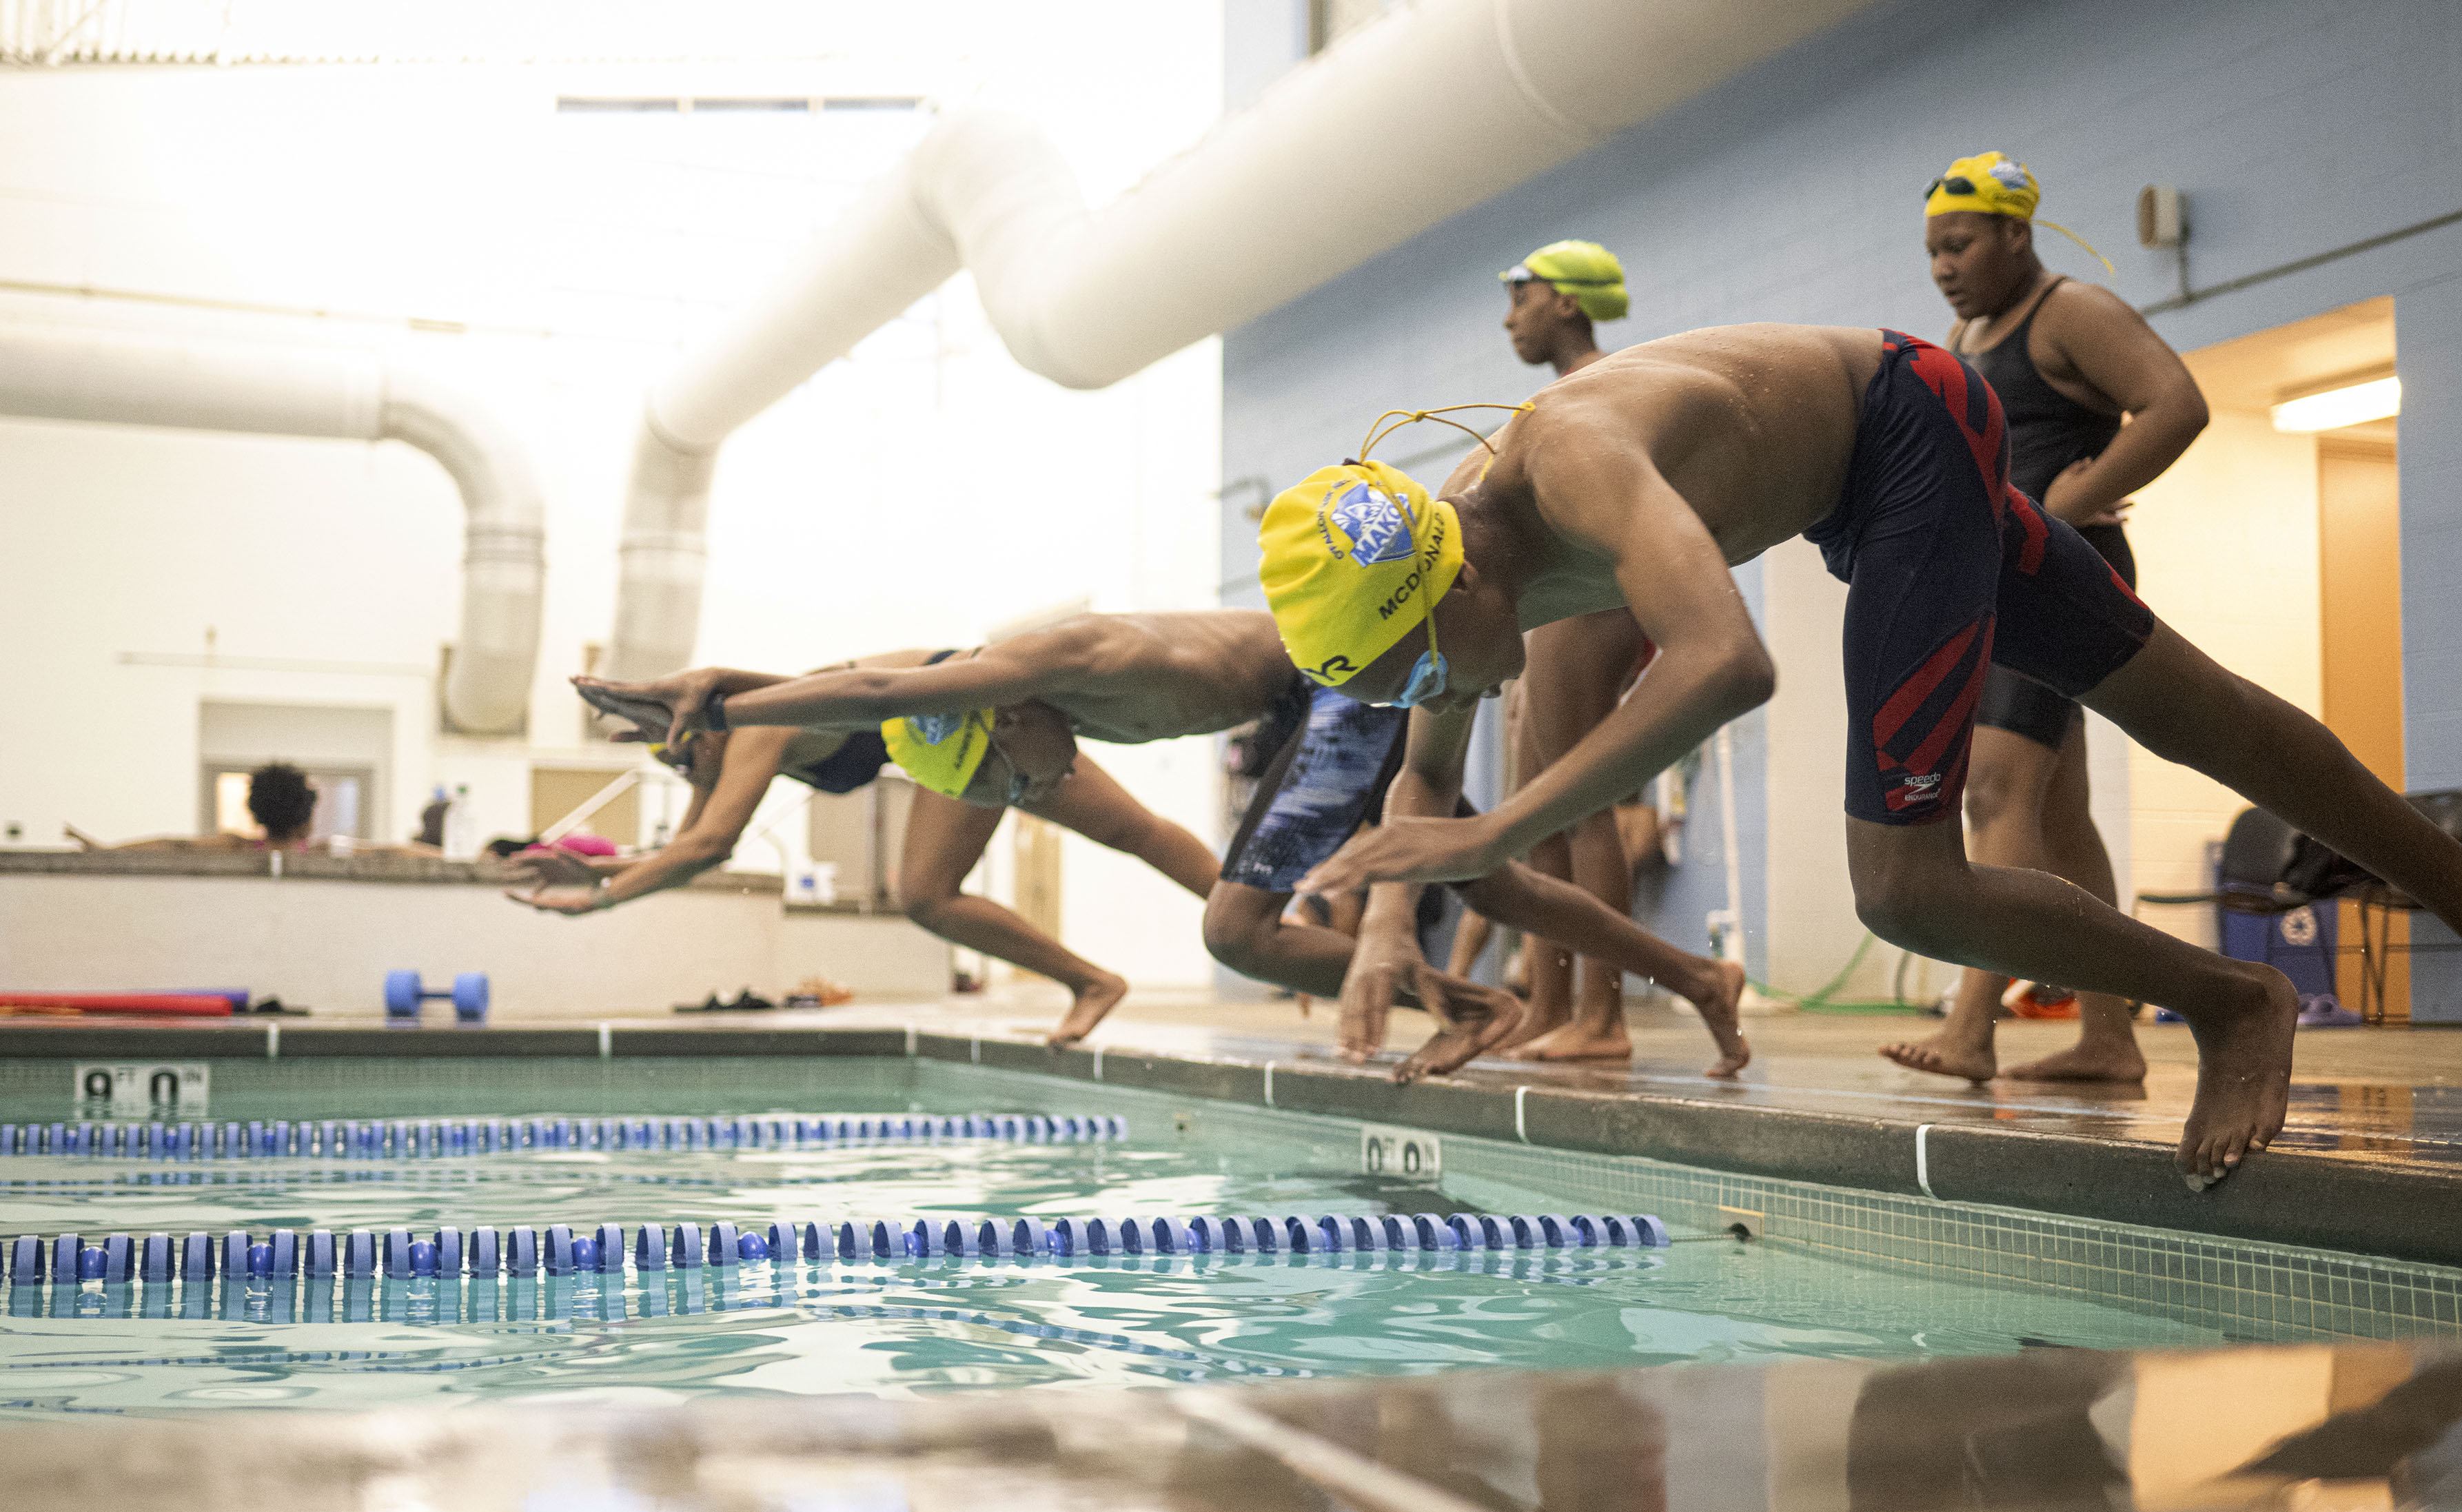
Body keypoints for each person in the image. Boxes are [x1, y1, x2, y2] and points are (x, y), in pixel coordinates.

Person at [1261, 321, 2462, 1178]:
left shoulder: (1574, 466)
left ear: (1446, 586)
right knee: (2190, 706)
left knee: (1904, 887)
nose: (1437, 691)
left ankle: (2236, 1003)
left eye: (1426, 664)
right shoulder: (1442, 594)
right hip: (1877, 475)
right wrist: (1387, 931)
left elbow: (1730, 663)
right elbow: (1424, 786)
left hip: (1907, 428)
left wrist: (1493, 835)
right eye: (1404, 685)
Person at [570, 609, 1753, 1079]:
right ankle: (1697, 975)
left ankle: (1467, 1005)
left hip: (1344, 686)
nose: (1019, 794)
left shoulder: (1048, 662)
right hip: (1313, 704)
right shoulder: (1010, 709)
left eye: (999, 773)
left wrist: (729, 711)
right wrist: (726, 688)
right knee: (1464, 868)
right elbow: (869, 685)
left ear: (1003, 718)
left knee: (1236, 931)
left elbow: (890, 678)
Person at [1879, 152, 2208, 1090]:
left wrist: (2079, 498)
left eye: (1960, 243)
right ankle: (2110, 1038)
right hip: (2001, 578)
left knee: (1991, 793)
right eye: (1933, 249)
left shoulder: (2073, 313)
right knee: (2060, 819)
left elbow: (2177, 404)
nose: (1943, 264)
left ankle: (1973, 1025)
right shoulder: (1970, 329)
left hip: (2054, 575)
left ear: (2014, 233)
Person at [511, 648, 1218, 1048]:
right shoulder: (727, 739)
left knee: (936, 889)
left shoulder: (757, 729)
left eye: (682, 760)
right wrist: (602, 868)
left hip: (965, 708)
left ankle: (1249, 918)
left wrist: (599, 899)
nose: (686, 776)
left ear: (702, 728)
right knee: (1116, 836)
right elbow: (694, 847)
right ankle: (1151, 957)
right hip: (947, 722)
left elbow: (707, 846)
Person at [1477, 239, 1658, 1063]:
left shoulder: (1612, 384)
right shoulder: (1557, 398)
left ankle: (1604, 1017)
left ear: (1569, 303)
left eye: (1524, 294)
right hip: (1559, 614)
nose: (1511, 314)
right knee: (1531, 814)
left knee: (1583, 808)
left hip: (1600, 602)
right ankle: (1550, 1006)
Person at [69, 762, 319, 853]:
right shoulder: (320, 852)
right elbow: (173, 845)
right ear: (304, 817)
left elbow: (173, 845)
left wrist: (108, 850)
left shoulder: (239, 846)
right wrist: (105, 851)